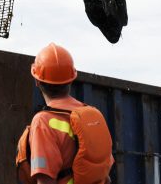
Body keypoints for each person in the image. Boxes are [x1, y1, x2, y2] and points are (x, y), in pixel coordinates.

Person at [16, 43, 114, 184]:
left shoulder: (43, 122)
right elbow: (105, 175)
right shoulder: (93, 116)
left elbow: (45, 180)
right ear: (71, 79)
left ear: (37, 81)